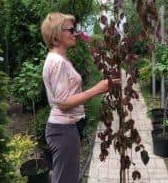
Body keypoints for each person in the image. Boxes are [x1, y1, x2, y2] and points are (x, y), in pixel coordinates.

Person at [40, 12, 120, 183]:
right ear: (56, 35)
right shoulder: (58, 62)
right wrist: (97, 89)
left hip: (65, 129)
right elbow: (63, 103)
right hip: (63, 131)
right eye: (71, 29)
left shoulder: (58, 60)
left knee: (64, 177)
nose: (75, 33)